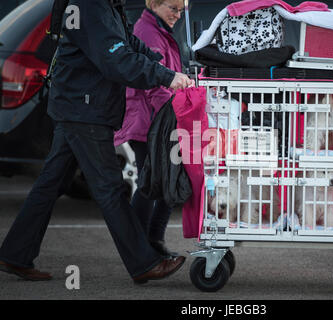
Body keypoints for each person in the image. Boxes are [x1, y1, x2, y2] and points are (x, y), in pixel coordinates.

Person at [0, 0, 194, 284]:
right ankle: (143, 263)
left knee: (50, 184)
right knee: (110, 188)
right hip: (84, 109)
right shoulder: (90, 6)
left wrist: (158, 61)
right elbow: (116, 60)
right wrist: (165, 77)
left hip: (78, 106)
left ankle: (15, 253)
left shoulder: (107, 5)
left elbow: (128, 44)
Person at [114, 0, 184, 258]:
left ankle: (151, 241)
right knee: (152, 184)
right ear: (153, 4)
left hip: (153, 119)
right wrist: (174, 116)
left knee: (164, 181)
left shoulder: (158, 29)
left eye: (181, 9)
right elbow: (154, 83)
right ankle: (140, 246)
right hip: (148, 121)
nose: (178, 15)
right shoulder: (148, 32)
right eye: (173, 8)